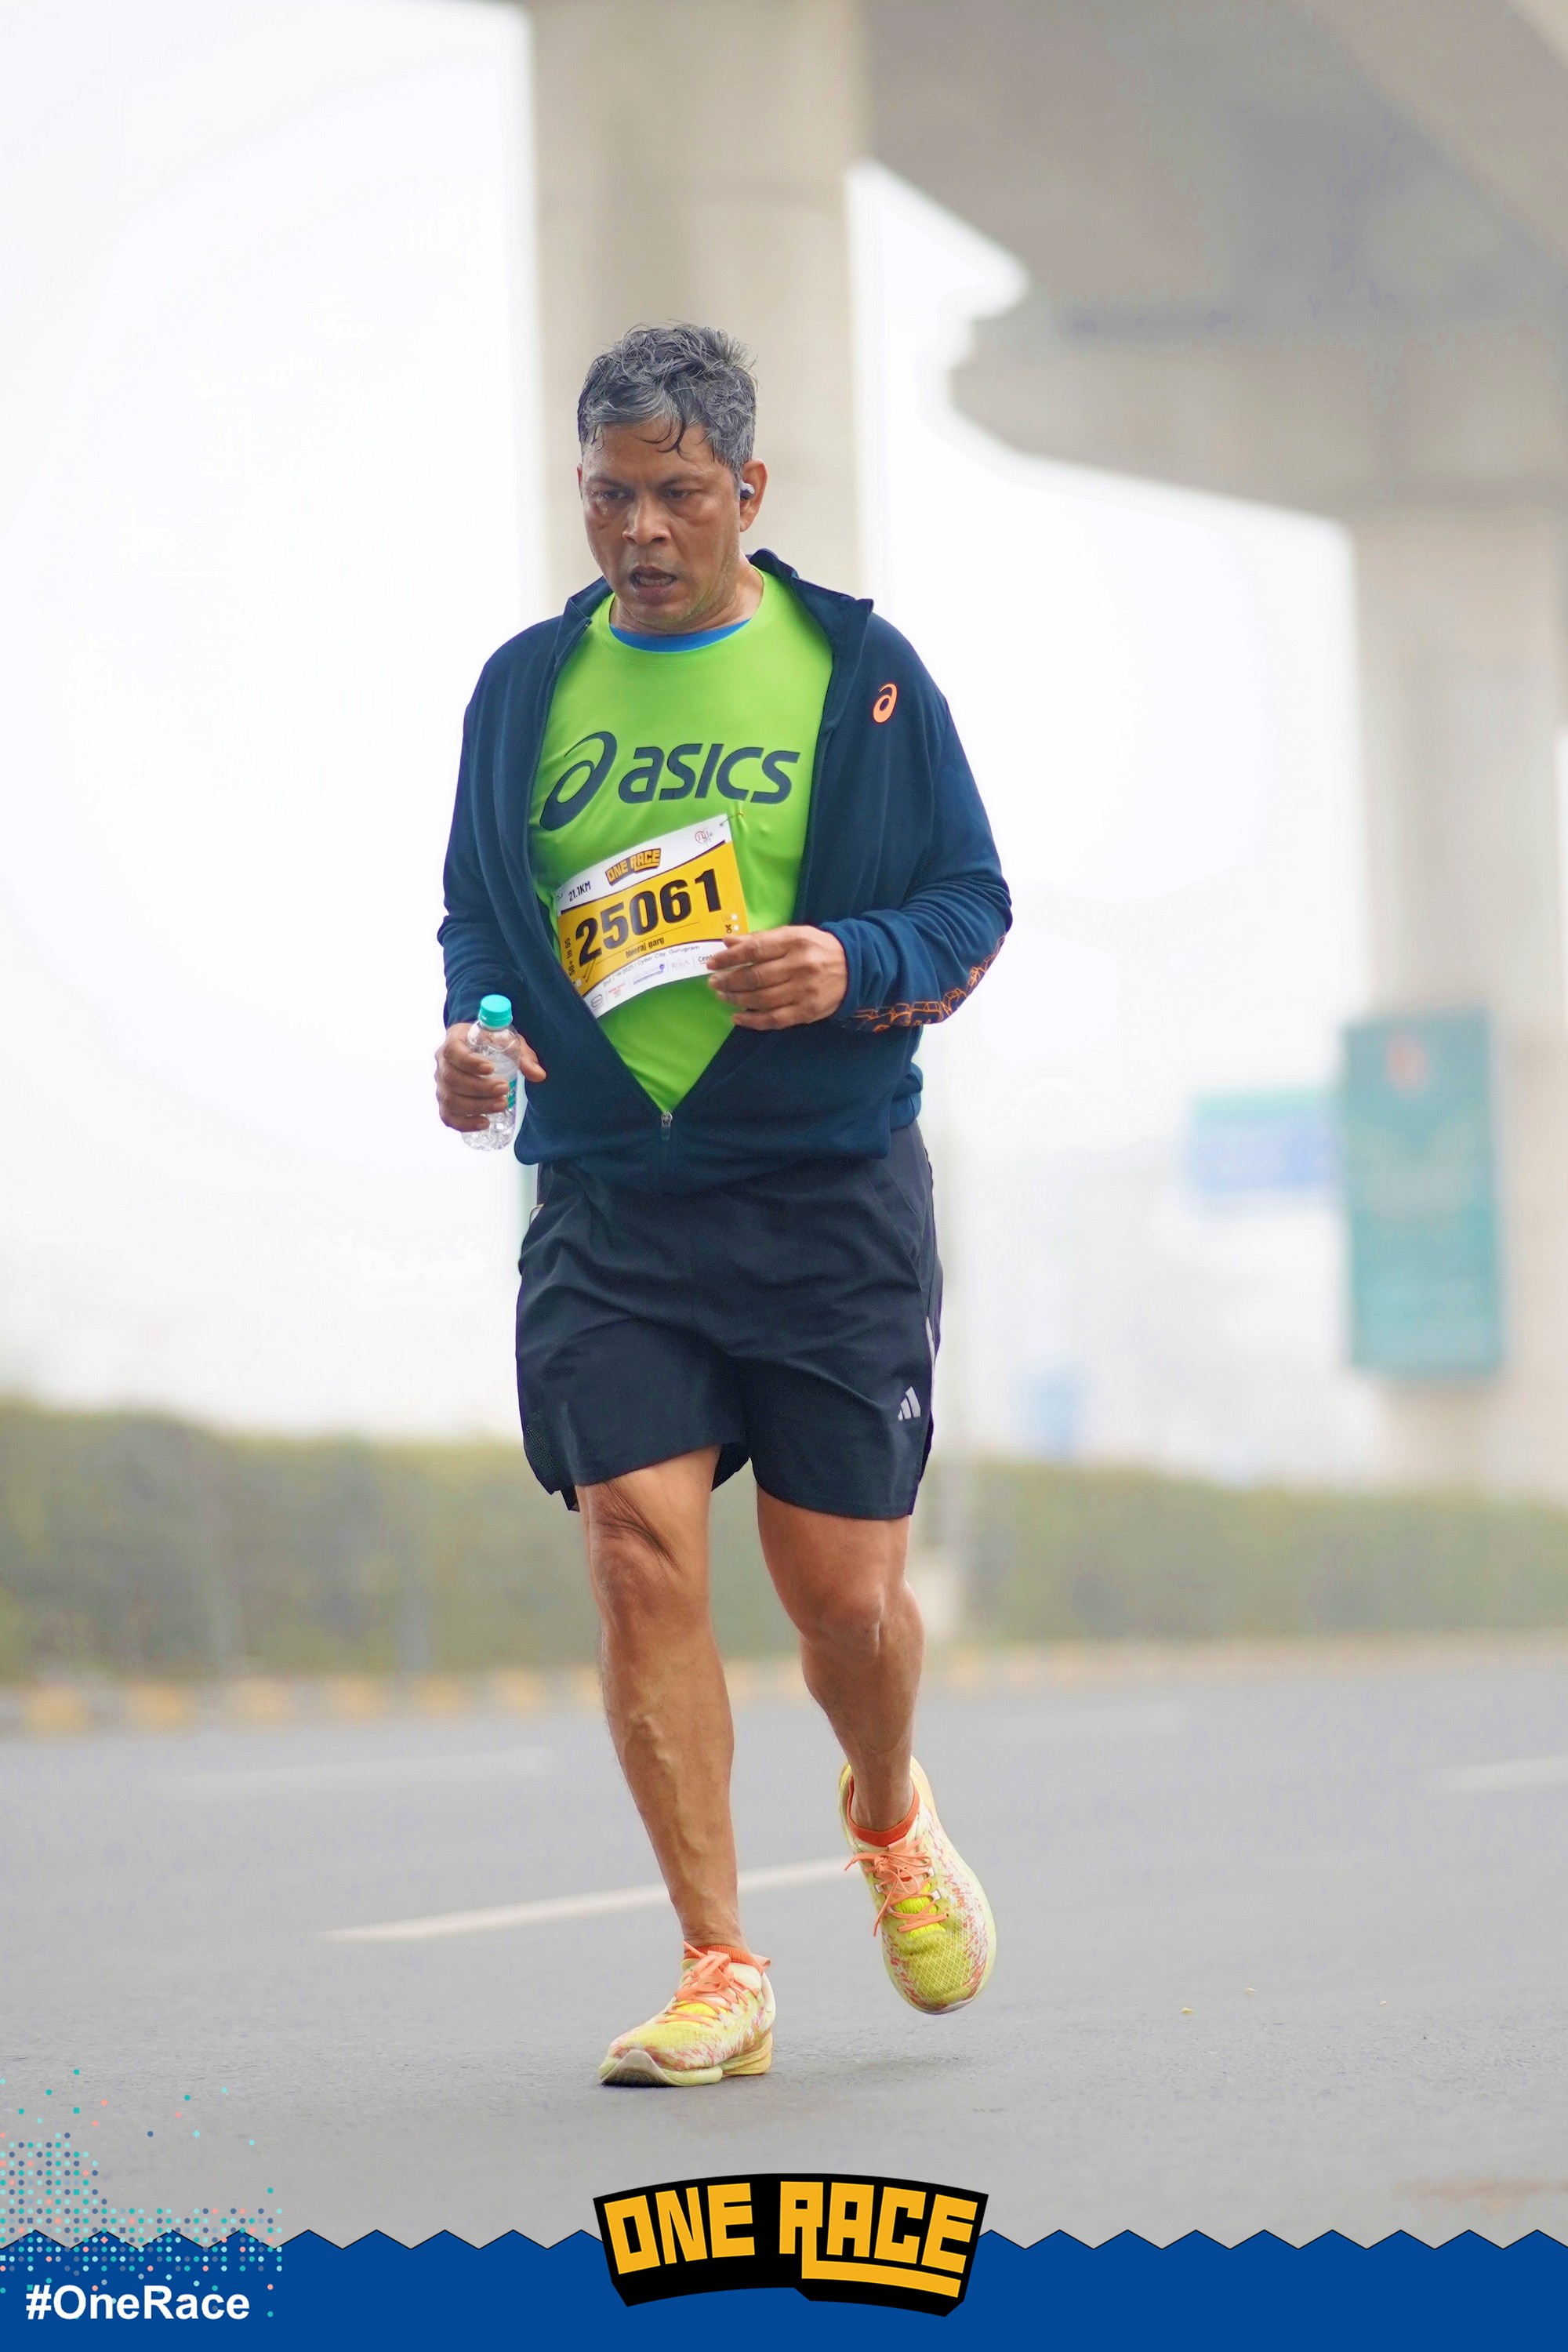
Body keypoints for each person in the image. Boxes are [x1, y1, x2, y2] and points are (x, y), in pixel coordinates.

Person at [435, 324, 1011, 2087]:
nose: (641, 530)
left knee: (844, 1606)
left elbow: (969, 905)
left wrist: (850, 960)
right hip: (614, 1201)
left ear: (746, 491)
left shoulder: (860, 675)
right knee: (633, 1548)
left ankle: (888, 1811)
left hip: (826, 1195)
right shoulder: (525, 689)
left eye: (678, 494)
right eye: (609, 495)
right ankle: (717, 1967)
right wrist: (481, 1038)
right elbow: (481, 920)